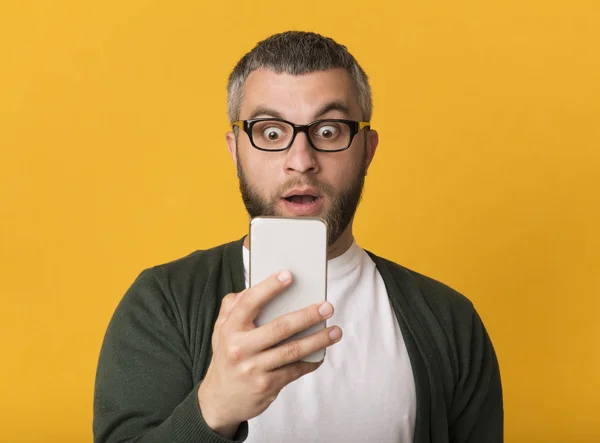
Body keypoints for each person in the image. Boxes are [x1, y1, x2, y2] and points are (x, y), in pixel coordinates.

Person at [93, 31, 503, 443]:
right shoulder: (163, 303)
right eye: (271, 133)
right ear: (236, 150)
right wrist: (214, 407)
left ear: (368, 149)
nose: (301, 161)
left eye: (328, 131)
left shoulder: (449, 321)